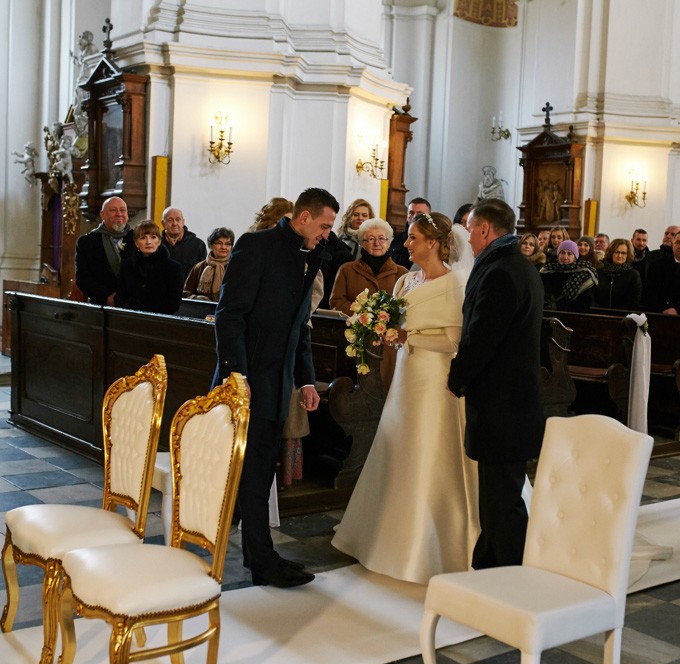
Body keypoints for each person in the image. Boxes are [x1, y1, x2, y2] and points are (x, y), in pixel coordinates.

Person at [332, 211, 477, 584]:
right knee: (400, 444)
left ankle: (431, 538)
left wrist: (408, 338)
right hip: (406, 374)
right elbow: (396, 322)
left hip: (435, 377)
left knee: (430, 447)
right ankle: (388, 531)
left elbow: (453, 341)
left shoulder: (454, 284)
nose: (406, 244)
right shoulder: (406, 281)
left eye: (413, 238)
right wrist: (378, 326)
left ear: (433, 243)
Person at [213, 187, 339, 588]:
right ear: (304, 217)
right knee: (251, 472)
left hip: (278, 383)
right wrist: (236, 374)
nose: (327, 234)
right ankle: (261, 560)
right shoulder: (256, 246)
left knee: (260, 470)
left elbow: (299, 326)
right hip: (247, 381)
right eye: (324, 226)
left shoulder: (309, 254)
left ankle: (259, 556)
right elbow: (229, 315)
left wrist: (306, 380)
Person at [449, 198, 545, 570]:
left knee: (503, 498)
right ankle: (488, 563)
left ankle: (510, 573)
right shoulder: (514, 265)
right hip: (508, 402)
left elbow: (481, 337)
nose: (467, 236)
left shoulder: (501, 271)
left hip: (503, 404)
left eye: (470, 228)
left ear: (485, 229)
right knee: (494, 494)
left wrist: (457, 378)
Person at [329, 218, 409, 313]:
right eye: (371, 239)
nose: (377, 243)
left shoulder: (402, 273)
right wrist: (363, 316)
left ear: (388, 243)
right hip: (353, 322)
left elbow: (406, 305)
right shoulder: (346, 270)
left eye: (381, 238)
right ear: (362, 243)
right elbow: (337, 302)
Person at [114, 220, 185, 314]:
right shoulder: (126, 265)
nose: (148, 242)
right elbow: (119, 298)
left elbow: (173, 304)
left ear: (159, 241)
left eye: (153, 237)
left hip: (159, 319)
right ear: (136, 243)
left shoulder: (174, 268)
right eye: (143, 238)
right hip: (130, 317)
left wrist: (144, 309)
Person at [74, 196, 135, 305]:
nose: (119, 214)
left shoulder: (138, 238)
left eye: (123, 210)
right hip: (102, 305)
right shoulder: (87, 242)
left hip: (133, 303)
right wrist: (106, 297)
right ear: (102, 215)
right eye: (113, 210)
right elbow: (83, 278)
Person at [539, 240, 597, 311]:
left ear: (575, 257)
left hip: (573, 314)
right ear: (558, 255)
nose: (565, 257)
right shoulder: (547, 270)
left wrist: (557, 306)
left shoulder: (584, 274)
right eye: (562, 253)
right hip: (547, 311)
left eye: (569, 254)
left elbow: (584, 302)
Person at [183, 227, 235, 300]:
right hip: (201, 307)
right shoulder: (199, 267)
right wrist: (195, 298)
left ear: (231, 247)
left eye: (227, 244)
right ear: (211, 245)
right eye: (219, 243)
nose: (223, 247)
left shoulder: (235, 267)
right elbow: (185, 292)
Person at [595, 238, 642, 309]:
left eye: (623, 253)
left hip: (622, 314)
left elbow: (633, 301)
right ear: (611, 253)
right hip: (598, 313)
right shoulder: (599, 272)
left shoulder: (633, 275)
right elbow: (593, 297)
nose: (620, 256)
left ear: (627, 255)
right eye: (617, 252)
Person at [160, 207, 208, 278]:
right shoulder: (156, 245)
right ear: (163, 223)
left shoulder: (198, 244)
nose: (174, 223)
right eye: (170, 220)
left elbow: (202, 273)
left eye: (178, 219)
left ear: (183, 222)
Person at [388, 197, 430, 270]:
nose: (414, 216)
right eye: (411, 213)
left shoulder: (430, 241)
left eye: (420, 214)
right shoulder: (397, 239)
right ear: (407, 216)